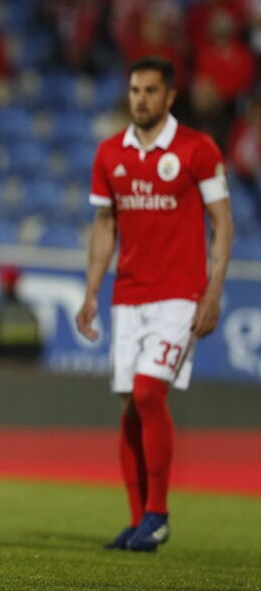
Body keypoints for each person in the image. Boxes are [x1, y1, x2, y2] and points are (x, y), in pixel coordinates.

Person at [75, 56, 233, 553]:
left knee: (148, 394)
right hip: (129, 294)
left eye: (150, 91)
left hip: (180, 296)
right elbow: (105, 227)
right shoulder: (109, 153)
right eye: (134, 89)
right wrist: (91, 291)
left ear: (169, 97)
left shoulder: (197, 149)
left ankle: (158, 513)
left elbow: (223, 222)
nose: (140, 98)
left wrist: (213, 291)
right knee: (129, 407)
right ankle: (138, 519)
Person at [0, 266, 42, 362]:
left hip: (1, 371)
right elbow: (38, 349)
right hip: (25, 372)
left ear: (4, 284)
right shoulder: (30, 314)